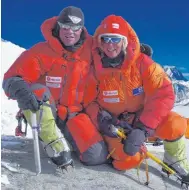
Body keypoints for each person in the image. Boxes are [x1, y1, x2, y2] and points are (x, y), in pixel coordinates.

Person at [83, 15, 189, 186]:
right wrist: (101, 120)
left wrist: (143, 128)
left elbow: (164, 93)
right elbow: (87, 101)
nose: (110, 44)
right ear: (99, 42)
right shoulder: (93, 69)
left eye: (115, 39)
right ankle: (111, 150)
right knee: (127, 162)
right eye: (105, 39)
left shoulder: (143, 63)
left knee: (175, 123)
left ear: (125, 41)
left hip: (141, 120)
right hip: (114, 126)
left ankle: (174, 159)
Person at [2, 6, 109, 169]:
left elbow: (115, 50)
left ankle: (66, 137)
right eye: (66, 26)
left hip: (75, 114)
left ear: (82, 30)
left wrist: (136, 53)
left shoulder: (92, 51)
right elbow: (11, 78)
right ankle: (54, 144)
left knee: (95, 156)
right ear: (58, 26)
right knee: (37, 90)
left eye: (75, 28)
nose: (70, 32)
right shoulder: (41, 51)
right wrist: (21, 91)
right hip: (46, 110)